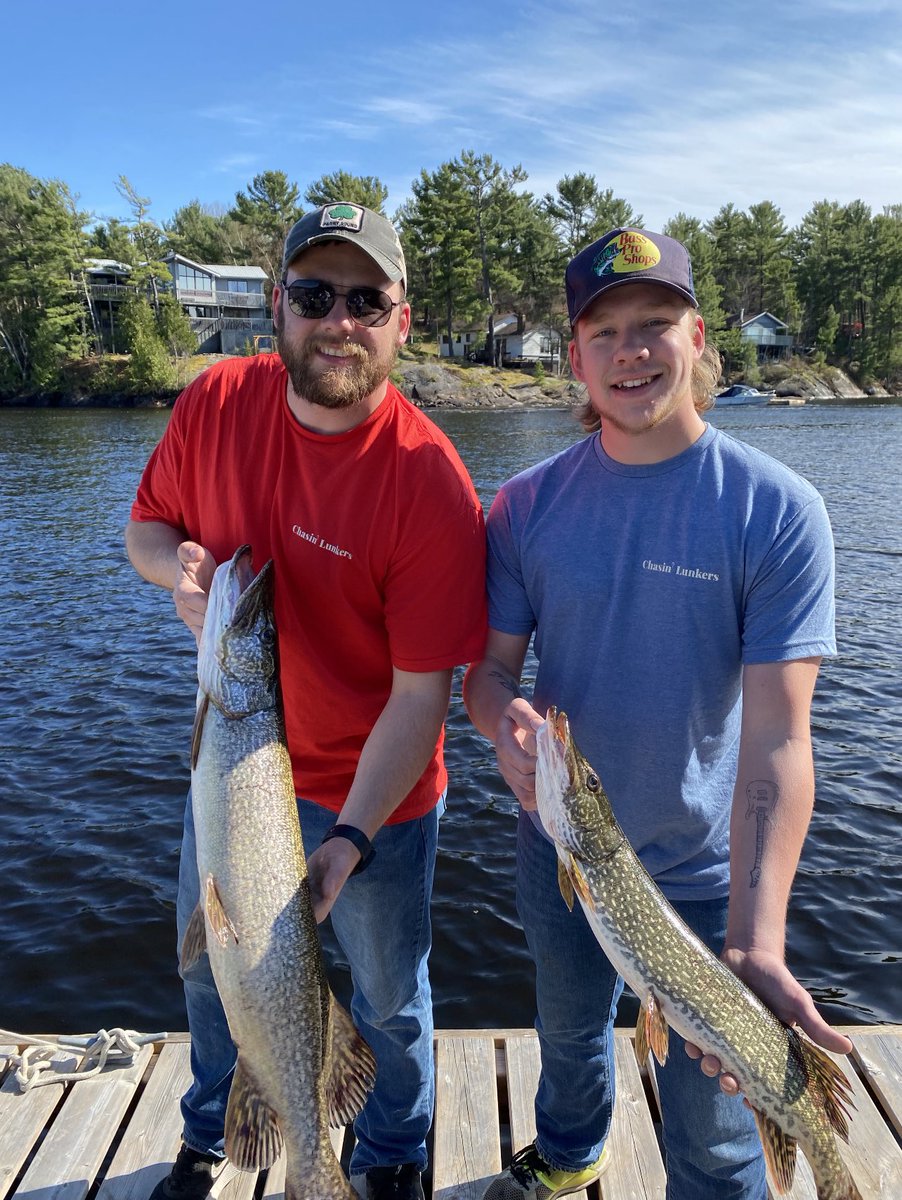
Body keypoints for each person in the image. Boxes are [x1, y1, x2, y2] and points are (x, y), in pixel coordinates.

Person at [463, 226, 850, 1200]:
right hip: (556, 846)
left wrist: (755, 939)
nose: (629, 352)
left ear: (697, 336)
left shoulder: (774, 509)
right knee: (566, 1033)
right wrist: (500, 723)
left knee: (718, 1146)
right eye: (604, 333)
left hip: (699, 877)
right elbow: (486, 674)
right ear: (574, 359)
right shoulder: (519, 508)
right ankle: (570, 1148)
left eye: (653, 324)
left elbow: (777, 739)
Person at [126, 202, 487, 1200]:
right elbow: (147, 530)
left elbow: (421, 701)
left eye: (364, 299)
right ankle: (215, 1132)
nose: (339, 319)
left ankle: (387, 1152)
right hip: (236, 783)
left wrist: (352, 838)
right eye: (315, 295)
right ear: (277, 309)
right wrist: (182, 582)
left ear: (399, 322)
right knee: (209, 970)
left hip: (375, 791)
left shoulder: (428, 484)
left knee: (385, 998)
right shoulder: (215, 402)